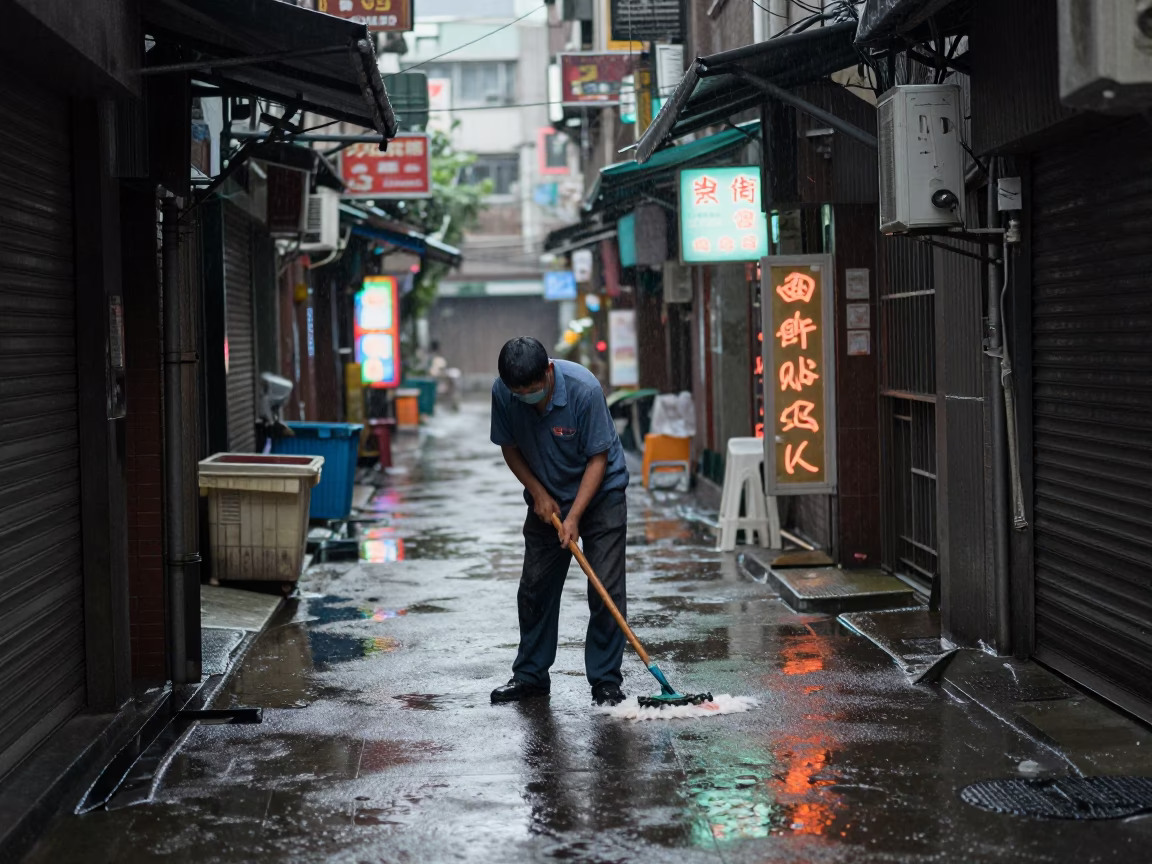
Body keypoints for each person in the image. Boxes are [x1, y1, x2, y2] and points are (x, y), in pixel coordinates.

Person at [489, 337, 630, 706]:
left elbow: (598, 459)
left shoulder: (584, 390)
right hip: (546, 498)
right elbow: (510, 446)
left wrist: (576, 517)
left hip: (600, 494)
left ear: (548, 372)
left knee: (605, 589)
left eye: (533, 390)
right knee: (535, 588)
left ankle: (605, 681)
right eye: (519, 393)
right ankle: (531, 676)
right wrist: (537, 492)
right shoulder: (504, 393)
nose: (526, 397)